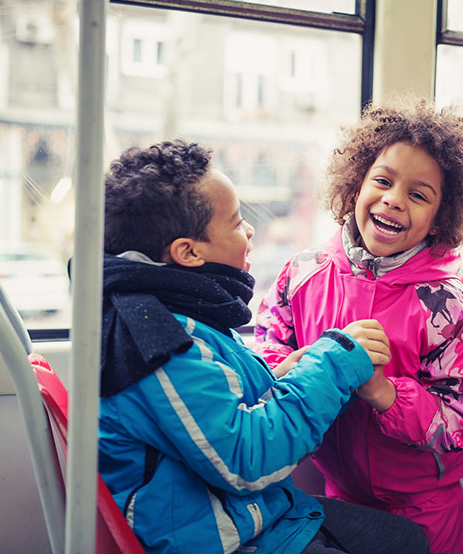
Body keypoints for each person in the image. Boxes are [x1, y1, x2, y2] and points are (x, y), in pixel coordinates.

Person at [98, 139, 430, 554]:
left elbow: (215, 405)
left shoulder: (171, 309)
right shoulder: (154, 343)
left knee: (408, 539)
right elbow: (247, 460)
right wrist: (334, 364)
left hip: (246, 512)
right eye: (237, 223)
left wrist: (287, 374)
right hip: (221, 536)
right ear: (189, 252)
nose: (250, 230)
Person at [254, 99, 463, 554]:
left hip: (425, 509)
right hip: (337, 496)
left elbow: (462, 420)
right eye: (382, 181)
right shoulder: (303, 273)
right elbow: (266, 349)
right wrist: (302, 365)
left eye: (418, 195)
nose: (394, 199)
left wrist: (383, 393)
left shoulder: (447, 305)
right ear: (356, 185)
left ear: (439, 219)